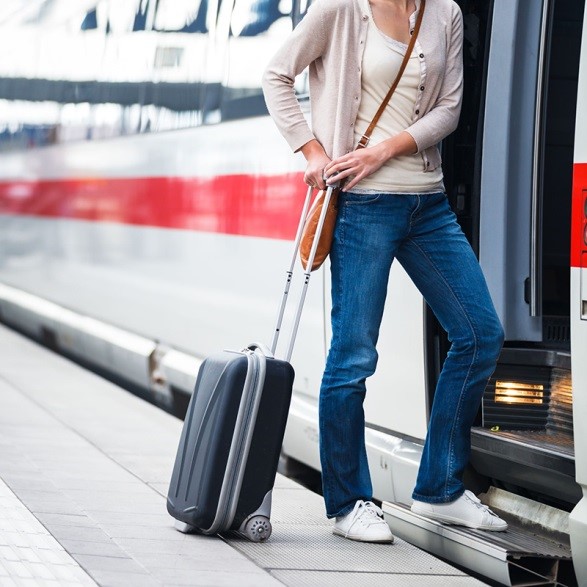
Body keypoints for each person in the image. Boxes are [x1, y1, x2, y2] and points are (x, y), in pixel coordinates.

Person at [262, 0, 507, 543]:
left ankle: (439, 488)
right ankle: (349, 502)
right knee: (353, 356)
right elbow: (276, 74)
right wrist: (312, 152)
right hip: (362, 205)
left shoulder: (445, 11)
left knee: (479, 333)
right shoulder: (342, 9)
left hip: (428, 204)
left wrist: (386, 150)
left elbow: (448, 108)